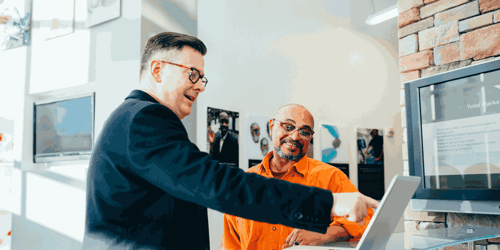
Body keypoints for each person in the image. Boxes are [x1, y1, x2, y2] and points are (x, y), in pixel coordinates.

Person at [83, 32, 378, 250]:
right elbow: (219, 184)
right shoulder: (144, 120)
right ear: (158, 69)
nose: (199, 86)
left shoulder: (135, 119)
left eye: (203, 78)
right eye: (193, 74)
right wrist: (329, 203)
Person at [221, 105, 375, 250]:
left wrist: (326, 233)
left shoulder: (330, 177)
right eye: (288, 126)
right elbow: (230, 245)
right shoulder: (241, 185)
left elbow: (366, 220)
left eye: (305, 132)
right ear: (272, 126)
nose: (295, 136)